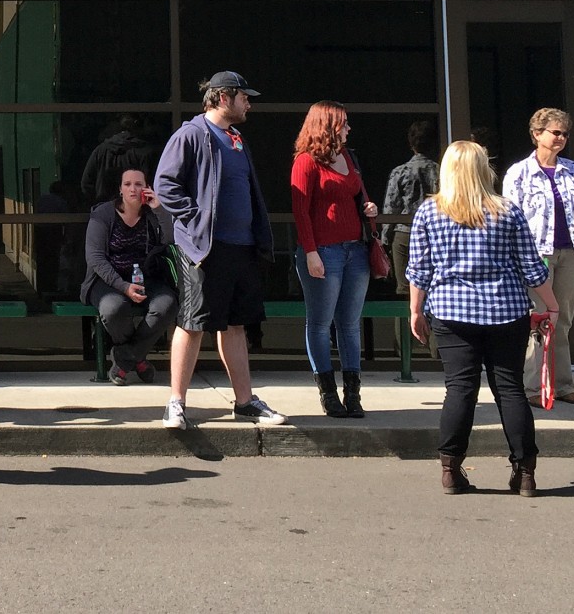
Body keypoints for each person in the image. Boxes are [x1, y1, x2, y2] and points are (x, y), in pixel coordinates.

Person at [407, 140, 557, 495]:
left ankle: (450, 469)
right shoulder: (508, 211)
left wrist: (416, 309)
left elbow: (419, 270)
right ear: (483, 170)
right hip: (506, 311)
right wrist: (551, 305)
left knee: (460, 388)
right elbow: (532, 269)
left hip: (450, 311)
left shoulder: (428, 213)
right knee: (510, 389)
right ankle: (524, 473)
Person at [154, 71, 284, 429]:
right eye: (244, 96)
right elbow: (164, 184)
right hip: (204, 249)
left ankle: (245, 403)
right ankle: (176, 403)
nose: (249, 103)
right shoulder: (192, 135)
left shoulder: (236, 138)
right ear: (223, 97)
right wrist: (196, 220)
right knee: (193, 323)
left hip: (240, 248)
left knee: (236, 325)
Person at [290, 101, 379, 418]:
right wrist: (311, 252)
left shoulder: (348, 156)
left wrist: (369, 209)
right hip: (324, 252)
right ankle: (328, 395)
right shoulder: (306, 161)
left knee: (350, 325)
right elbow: (301, 212)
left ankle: (353, 395)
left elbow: (356, 196)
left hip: (356, 250)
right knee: (319, 324)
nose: (348, 128)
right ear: (327, 125)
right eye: (343, 123)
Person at [500, 108, 574, 407]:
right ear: (537, 134)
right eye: (556, 132)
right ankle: (533, 387)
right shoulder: (519, 172)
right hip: (536, 254)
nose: (561, 138)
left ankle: (564, 384)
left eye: (565, 133)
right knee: (538, 318)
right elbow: (510, 217)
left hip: (572, 252)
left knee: (563, 318)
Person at [82, 167, 177, 385]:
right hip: (107, 279)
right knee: (114, 309)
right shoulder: (103, 214)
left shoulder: (152, 215)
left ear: (147, 188)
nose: (133, 189)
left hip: (146, 278)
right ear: (120, 189)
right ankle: (139, 358)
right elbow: (95, 258)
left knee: (167, 304)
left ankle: (125, 358)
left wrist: (160, 209)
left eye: (139, 184)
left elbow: (172, 239)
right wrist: (123, 286)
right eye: (128, 184)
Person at [382, 120, 439, 292]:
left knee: (405, 290)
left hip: (404, 234)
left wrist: (385, 239)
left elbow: (391, 208)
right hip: (434, 233)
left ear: (411, 144)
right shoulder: (441, 170)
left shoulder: (400, 172)